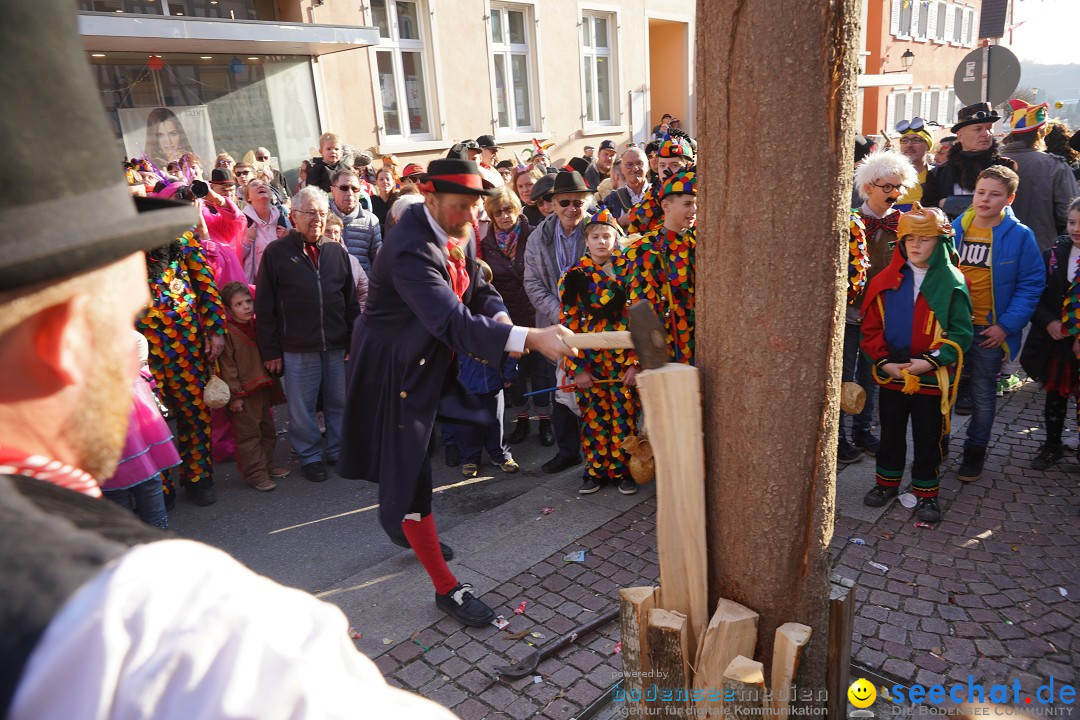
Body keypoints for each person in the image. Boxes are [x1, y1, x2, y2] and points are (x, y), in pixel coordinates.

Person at [337, 159, 573, 627]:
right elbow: (450, 320)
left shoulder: (455, 228)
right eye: (461, 207)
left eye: (473, 207)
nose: (470, 217)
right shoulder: (408, 247)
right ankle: (447, 587)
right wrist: (528, 337)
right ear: (430, 199)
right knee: (411, 476)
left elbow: (478, 288)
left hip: (429, 362)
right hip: (394, 372)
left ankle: (403, 522)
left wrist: (503, 318)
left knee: (422, 457)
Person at [859, 204, 973, 523]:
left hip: (931, 380)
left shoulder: (953, 283)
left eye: (924, 238)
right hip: (892, 376)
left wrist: (930, 362)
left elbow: (961, 334)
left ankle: (927, 493)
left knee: (928, 438)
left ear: (941, 242)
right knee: (891, 433)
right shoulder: (885, 281)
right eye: (910, 238)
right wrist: (884, 362)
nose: (915, 245)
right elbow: (870, 330)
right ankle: (886, 484)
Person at [255, 186, 362, 483]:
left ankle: (339, 450)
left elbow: (350, 302)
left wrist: (353, 340)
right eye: (310, 213)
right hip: (297, 347)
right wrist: (271, 351)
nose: (317, 219)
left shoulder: (336, 251)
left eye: (322, 213)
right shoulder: (276, 253)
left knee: (339, 402)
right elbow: (264, 307)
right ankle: (310, 456)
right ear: (293, 216)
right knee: (302, 408)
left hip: (337, 344)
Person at [952, 166, 1045, 482]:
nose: (985, 200)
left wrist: (1005, 326)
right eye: (981, 192)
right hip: (953, 327)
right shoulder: (955, 228)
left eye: (994, 194)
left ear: (1009, 199)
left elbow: (1031, 283)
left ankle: (974, 452)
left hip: (989, 331)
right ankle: (934, 449)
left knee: (982, 394)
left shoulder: (1020, 236)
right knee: (941, 391)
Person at [137, 185, 227, 508]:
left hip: (187, 346)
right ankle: (160, 487)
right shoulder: (124, 253)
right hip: (142, 354)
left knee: (195, 414)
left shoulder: (184, 240)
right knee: (150, 421)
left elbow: (207, 288)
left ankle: (198, 476)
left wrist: (216, 331)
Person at [840, 151, 919, 463]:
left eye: (898, 187)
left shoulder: (902, 224)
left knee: (871, 376)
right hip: (850, 314)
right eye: (888, 187)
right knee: (845, 375)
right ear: (869, 186)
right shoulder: (850, 222)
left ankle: (862, 430)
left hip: (881, 315)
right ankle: (839, 435)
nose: (894, 194)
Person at [560, 207, 639, 495]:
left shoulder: (630, 272)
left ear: (616, 239)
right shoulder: (573, 275)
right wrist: (577, 368)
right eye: (596, 236)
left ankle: (625, 470)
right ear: (587, 240)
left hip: (622, 362)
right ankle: (595, 470)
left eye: (607, 236)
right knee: (593, 418)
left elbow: (640, 319)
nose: (602, 242)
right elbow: (566, 324)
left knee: (624, 415)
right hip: (590, 362)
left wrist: (635, 363)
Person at [524, 169, 597, 473]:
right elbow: (532, 284)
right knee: (562, 387)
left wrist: (588, 315)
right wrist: (561, 314)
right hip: (556, 326)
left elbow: (616, 275)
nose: (571, 209)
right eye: (564, 202)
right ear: (552, 203)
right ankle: (568, 451)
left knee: (596, 387)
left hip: (595, 325)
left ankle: (602, 453)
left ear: (587, 203)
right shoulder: (538, 236)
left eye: (578, 203)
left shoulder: (601, 229)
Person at [480, 185, 547, 445]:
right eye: (499, 213)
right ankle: (521, 420)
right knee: (515, 373)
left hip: (534, 312)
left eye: (508, 210)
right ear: (492, 216)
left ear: (517, 210)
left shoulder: (532, 235)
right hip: (508, 316)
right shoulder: (486, 244)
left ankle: (544, 420)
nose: (505, 216)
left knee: (540, 370)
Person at [1020, 198, 1080, 470]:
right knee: (1055, 394)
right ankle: (1052, 444)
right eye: (1072, 222)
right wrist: (1048, 322)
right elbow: (1036, 295)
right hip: (1057, 341)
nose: (1076, 229)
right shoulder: (1054, 255)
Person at [617, 167, 697, 365]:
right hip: (666, 356)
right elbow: (641, 311)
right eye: (687, 204)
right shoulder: (645, 249)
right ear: (666, 206)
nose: (694, 210)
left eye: (697, 204)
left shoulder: (700, 242)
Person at [100, 331, 178, 529]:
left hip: (128, 408)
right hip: (94, 419)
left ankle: (154, 540)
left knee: (147, 482)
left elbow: (135, 339)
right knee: (116, 491)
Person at [218, 282, 289, 492]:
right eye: (239, 304)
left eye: (248, 301)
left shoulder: (257, 326)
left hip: (263, 387)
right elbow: (227, 367)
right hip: (244, 393)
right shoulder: (229, 333)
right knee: (249, 436)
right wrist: (235, 396)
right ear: (229, 310)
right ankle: (255, 473)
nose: (246, 307)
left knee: (267, 429)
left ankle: (267, 464)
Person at [1000, 99, 1080, 252]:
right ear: (1040, 132)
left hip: (995, 252)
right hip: (1040, 252)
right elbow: (1068, 213)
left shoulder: (993, 162)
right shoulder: (1055, 166)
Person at [923, 102, 1018, 219]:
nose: (986, 134)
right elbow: (929, 214)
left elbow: (1010, 206)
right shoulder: (938, 173)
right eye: (978, 129)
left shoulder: (1006, 166)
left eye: (989, 128)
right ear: (960, 135)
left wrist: (947, 203)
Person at [626, 135, 694, 234]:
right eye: (662, 165)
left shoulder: (702, 203)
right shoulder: (645, 207)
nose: (666, 170)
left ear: (688, 166)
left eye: (674, 165)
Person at [330, 169, 382, 275]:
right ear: (332, 190)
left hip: (362, 286)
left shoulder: (371, 221)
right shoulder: (322, 219)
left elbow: (378, 261)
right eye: (344, 188)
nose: (350, 193)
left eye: (355, 189)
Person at [240, 177, 290, 283]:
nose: (260, 186)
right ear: (248, 197)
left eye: (264, 184)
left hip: (284, 281)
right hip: (257, 285)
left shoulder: (282, 219)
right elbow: (236, 256)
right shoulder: (243, 221)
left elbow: (295, 250)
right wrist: (247, 239)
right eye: (254, 185)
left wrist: (288, 238)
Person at [324, 213, 369, 309]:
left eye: (336, 232)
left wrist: (357, 319)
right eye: (327, 231)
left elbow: (364, 294)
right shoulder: (313, 259)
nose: (332, 236)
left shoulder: (352, 261)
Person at [602, 146, 650, 227]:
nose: (635, 168)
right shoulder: (611, 200)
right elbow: (603, 231)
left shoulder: (659, 194)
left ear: (647, 167)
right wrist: (620, 222)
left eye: (639, 163)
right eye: (629, 164)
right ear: (622, 169)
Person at [894, 118, 935, 210]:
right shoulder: (888, 176)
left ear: (928, 146)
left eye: (916, 140)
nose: (909, 145)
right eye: (904, 140)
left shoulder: (938, 177)